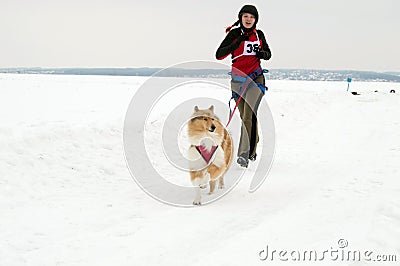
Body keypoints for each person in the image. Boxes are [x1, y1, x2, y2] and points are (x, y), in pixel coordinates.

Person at [216, 4, 272, 168]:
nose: (248, 19)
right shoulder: (234, 34)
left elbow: (268, 53)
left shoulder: (259, 35)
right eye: (246, 16)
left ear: (255, 20)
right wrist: (237, 42)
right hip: (238, 81)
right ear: (240, 18)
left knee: (249, 115)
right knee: (245, 117)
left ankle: (244, 154)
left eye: (252, 17)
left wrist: (263, 54)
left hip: (256, 79)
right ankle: (252, 142)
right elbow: (219, 55)